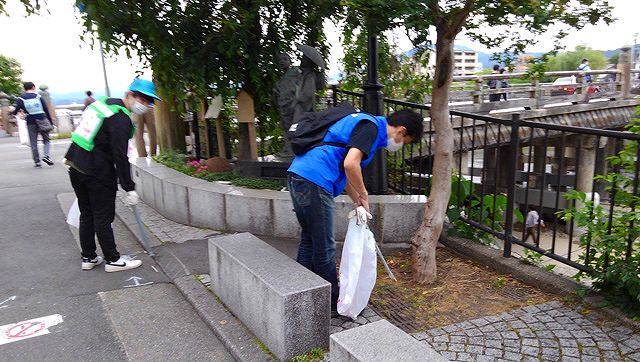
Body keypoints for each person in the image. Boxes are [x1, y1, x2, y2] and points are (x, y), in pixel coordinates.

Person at [287, 108, 424, 313]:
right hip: (315, 180)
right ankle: (332, 303)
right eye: (404, 141)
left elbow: (344, 172)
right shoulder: (371, 128)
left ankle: (301, 293)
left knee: (310, 239)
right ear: (401, 131)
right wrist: (364, 193)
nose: (399, 145)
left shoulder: (365, 124)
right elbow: (351, 164)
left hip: (299, 175)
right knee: (325, 246)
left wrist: (358, 200)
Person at [64, 78, 160, 272]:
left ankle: (89, 257)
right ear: (130, 94)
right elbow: (119, 156)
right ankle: (113, 260)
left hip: (75, 164)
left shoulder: (105, 104)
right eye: (142, 99)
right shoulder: (120, 118)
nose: (146, 105)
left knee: (88, 213)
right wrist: (129, 187)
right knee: (102, 216)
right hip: (96, 171)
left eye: (149, 102)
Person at [11, 82, 53, 168]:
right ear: (33, 87)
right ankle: (46, 155)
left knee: (33, 142)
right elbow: (46, 110)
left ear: (24, 88)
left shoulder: (21, 98)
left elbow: (16, 110)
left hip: (30, 121)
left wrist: (13, 113)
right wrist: (50, 121)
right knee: (46, 140)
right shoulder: (38, 97)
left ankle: (37, 162)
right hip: (42, 119)